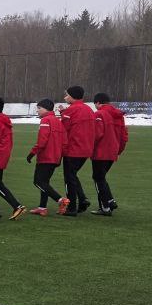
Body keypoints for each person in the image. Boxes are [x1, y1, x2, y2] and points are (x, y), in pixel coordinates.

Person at [25, 98, 66, 216]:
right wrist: (59, 157)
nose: (37, 111)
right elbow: (64, 142)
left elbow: (42, 141)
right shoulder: (58, 121)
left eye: (39, 108)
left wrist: (32, 153)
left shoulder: (45, 120)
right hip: (55, 157)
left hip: (46, 157)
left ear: (46, 109)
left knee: (38, 182)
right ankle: (42, 207)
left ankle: (61, 200)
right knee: (45, 182)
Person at [59, 85, 95, 216]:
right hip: (86, 149)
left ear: (73, 96)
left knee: (69, 178)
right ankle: (83, 199)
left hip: (73, 149)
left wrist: (63, 114)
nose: (65, 97)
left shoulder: (71, 110)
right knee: (73, 175)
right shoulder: (88, 109)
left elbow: (64, 129)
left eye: (67, 95)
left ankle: (71, 207)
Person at [90, 92, 129, 215]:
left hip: (100, 152)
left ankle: (106, 206)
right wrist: (118, 150)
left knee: (98, 178)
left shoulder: (99, 114)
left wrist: (89, 148)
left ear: (98, 103)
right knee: (101, 178)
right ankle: (109, 202)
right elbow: (124, 136)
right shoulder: (118, 115)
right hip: (113, 151)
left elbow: (97, 135)